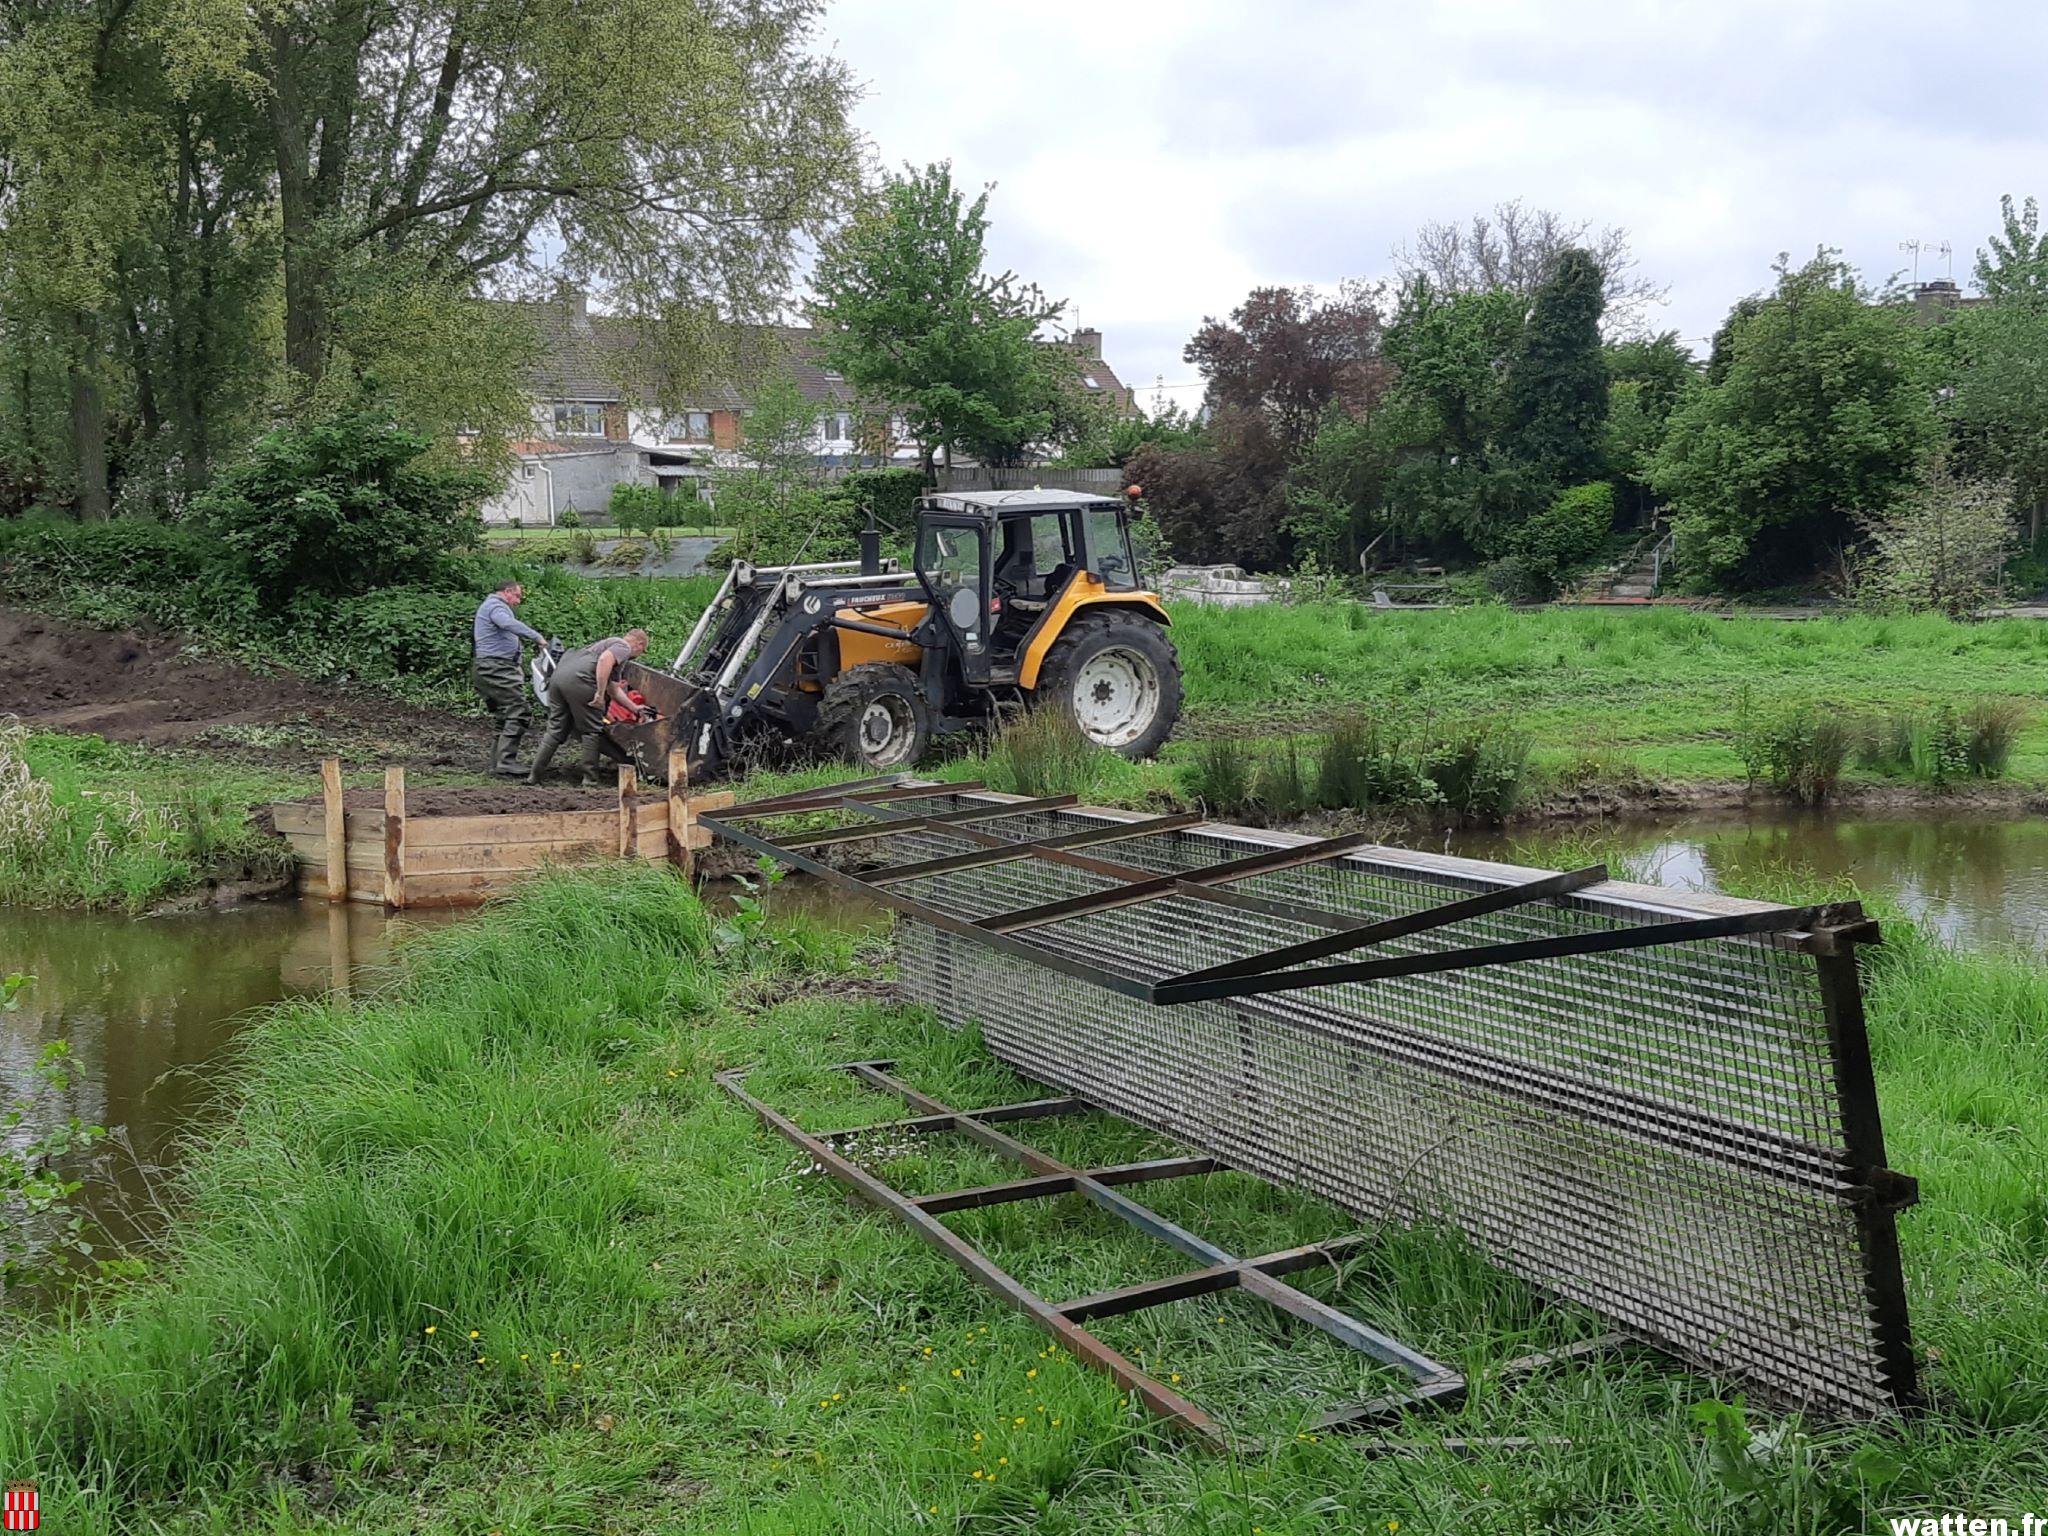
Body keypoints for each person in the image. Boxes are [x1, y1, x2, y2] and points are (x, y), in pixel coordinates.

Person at [526, 628, 651, 786]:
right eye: (642, 651)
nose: (638, 655)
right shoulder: (623, 647)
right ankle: (590, 780)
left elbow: (613, 690)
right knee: (591, 731)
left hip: (558, 679)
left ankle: (534, 776)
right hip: (581, 681)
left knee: (555, 731)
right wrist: (599, 693)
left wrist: (635, 708)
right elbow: (604, 661)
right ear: (639, 645)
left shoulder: (602, 646)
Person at [472, 579, 544, 777]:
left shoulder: (489, 606)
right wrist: (536, 637)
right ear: (507, 592)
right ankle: (506, 762)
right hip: (496, 668)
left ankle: (496, 764)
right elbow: (507, 623)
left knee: (503, 715)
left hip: (489, 667)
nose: (518, 601)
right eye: (517, 596)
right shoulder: (496, 606)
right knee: (519, 710)